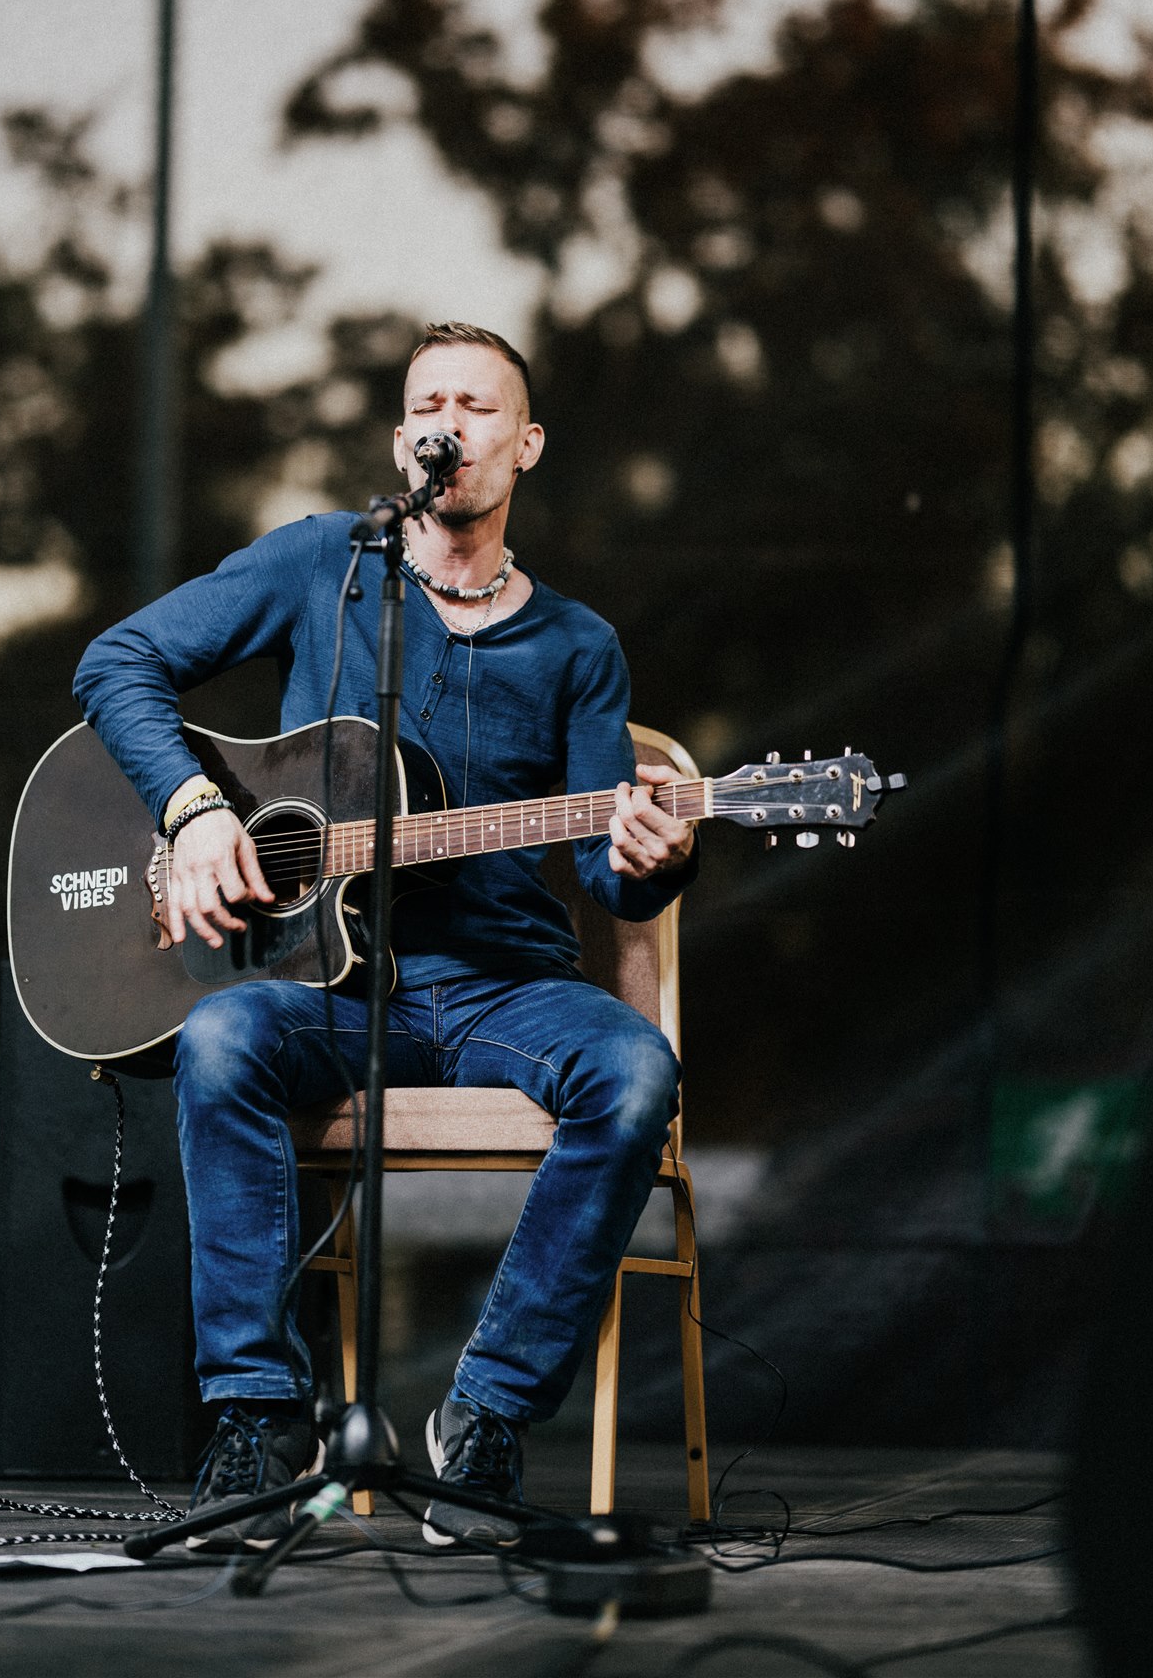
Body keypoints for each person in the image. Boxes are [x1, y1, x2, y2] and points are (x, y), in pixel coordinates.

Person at [74, 322, 697, 1548]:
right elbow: (118, 660)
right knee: (220, 1038)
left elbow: (603, 875)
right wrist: (195, 808)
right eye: (426, 404)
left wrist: (647, 857)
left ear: (525, 445)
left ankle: (488, 1410)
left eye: (476, 405)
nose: (445, 423)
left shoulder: (578, 646)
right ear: (402, 437)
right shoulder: (326, 563)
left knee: (634, 1071)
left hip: (502, 988)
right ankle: (260, 1413)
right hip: (331, 986)